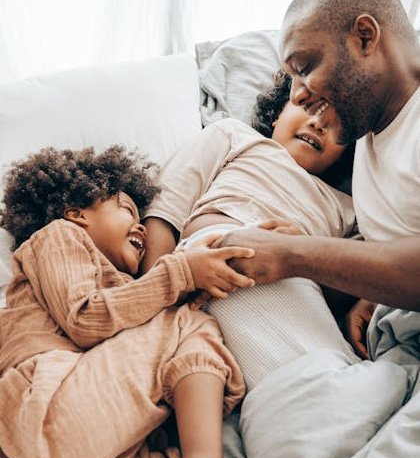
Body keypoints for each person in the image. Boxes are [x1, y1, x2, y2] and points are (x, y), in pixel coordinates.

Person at [0, 144, 267, 458]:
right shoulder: (55, 238)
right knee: (187, 324)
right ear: (76, 212)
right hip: (47, 408)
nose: (140, 225)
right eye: (124, 206)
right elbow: (86, 318)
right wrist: (183, 274)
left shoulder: (130, 290)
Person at [219, 0, 420, 344]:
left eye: (305, 68)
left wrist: (294, 254)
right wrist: (376, 293)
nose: (296, 96)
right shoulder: (369, 129)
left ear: (365, 37)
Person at [142, 70, 358, 389]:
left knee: (331, 375)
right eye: (309, 105)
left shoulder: (347, 207)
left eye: (339, 123)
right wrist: (156, 292)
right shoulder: (235, 137)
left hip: (296, 285)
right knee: (310, 387)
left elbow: (351, 282)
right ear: (277, 114)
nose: (319, 123)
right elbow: (165, 209)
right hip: (211, 260)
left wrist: (310, 257)